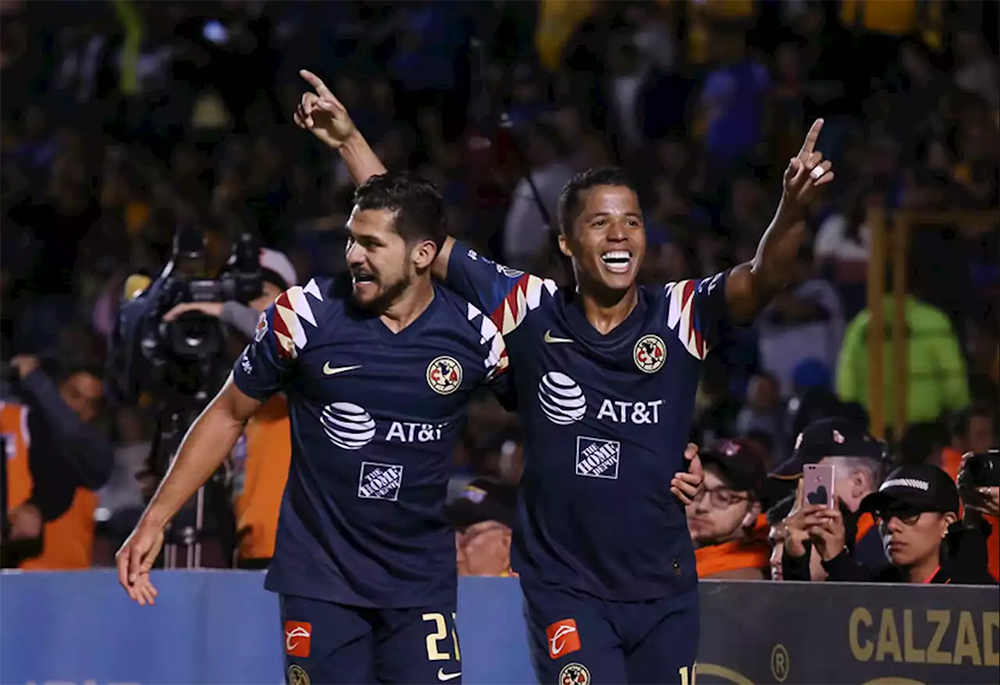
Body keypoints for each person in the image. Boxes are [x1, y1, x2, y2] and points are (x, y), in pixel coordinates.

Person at [296, 69, 833, 684]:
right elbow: (415, 234)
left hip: (664, 588)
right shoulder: (530, 308)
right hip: (565, 587)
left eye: (631, 221)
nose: (619, 234)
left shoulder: (680, 312)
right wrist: (348, 140)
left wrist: (792, 207)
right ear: (567, 244)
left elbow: (761, 278)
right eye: (600, 223)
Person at [117, 173, 518, 685]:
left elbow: (550, 411)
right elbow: (227, 413)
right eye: (351, 239)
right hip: (321, 580)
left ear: (422, 254)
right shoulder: (305, 314)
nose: (354, 256)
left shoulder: (475, 334)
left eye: (372, 244)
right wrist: (155, 520)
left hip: (420, 583)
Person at [804, 464, 997, 585]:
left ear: (946, 523)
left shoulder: (974, 594)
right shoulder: (876, 585)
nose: (892, 526)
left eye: (909, 513)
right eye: (884, 515)